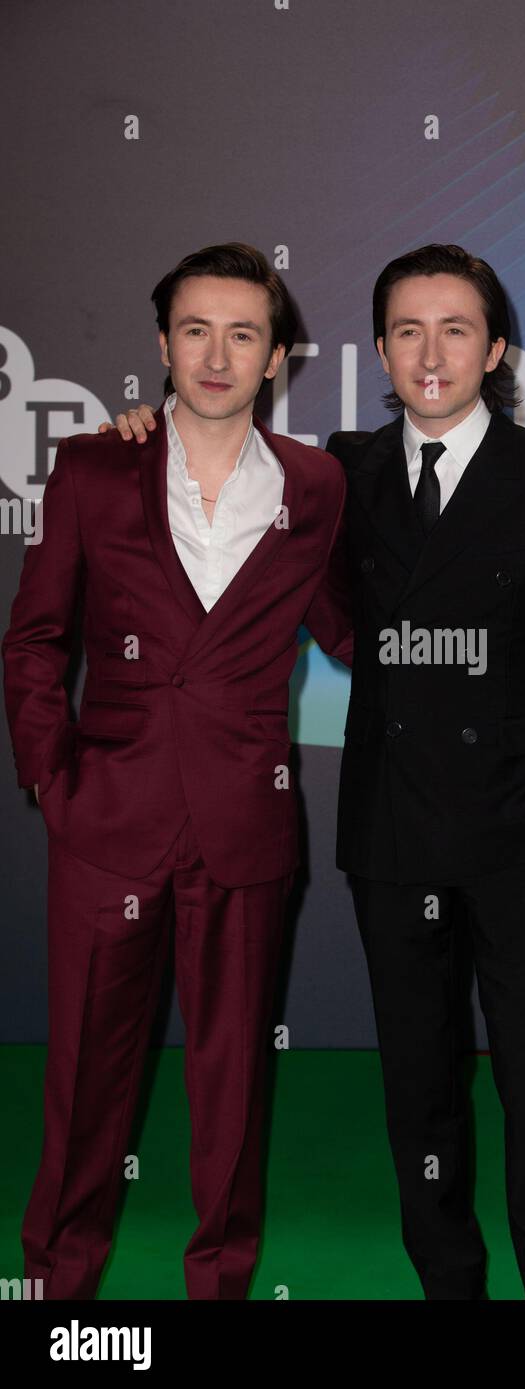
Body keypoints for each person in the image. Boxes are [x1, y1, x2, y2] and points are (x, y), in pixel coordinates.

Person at [109, 242, 525, 1300]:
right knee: (419, 1091)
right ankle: (448, 1287)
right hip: (393, 837)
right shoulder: (333, 475)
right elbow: (216, 457)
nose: (428, 352)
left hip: (519, 836)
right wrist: (139, 437)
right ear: (381, 351)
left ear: (492, 350)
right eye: (405, 330)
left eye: (452, 329)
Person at [1, 242, 353, 1299]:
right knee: (83, 1086)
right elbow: (33, 642)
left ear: (276, 355)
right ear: (161, 344)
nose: (216, 353)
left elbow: (361, 633)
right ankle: (59, 1288)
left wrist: (518, 668)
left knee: (234, 1086)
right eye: (195, 329)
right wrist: (54, 785)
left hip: (245, 829)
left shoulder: (319, 486)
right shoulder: (93, 467)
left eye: (243, 332)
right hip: (106, 823)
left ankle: (220, 1285)